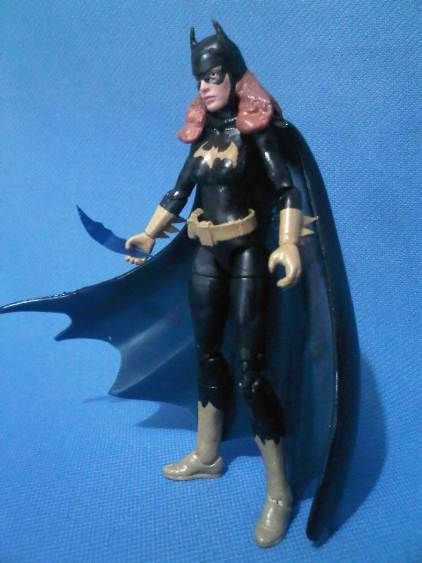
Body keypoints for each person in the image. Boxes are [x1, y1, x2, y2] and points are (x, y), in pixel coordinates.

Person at [124, 21, 311, 548]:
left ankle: (279, 490)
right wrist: (149, 233)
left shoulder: (257, 132)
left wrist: (288, 243)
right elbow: (179, 190)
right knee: (207, 355)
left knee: (251, 371)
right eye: (199, 80)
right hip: (206, 253)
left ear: (233, 76)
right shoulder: (204, 135)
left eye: (213, 77)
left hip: (248, 253)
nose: (205, 87)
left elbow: (286, 190)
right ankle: (208, 455)